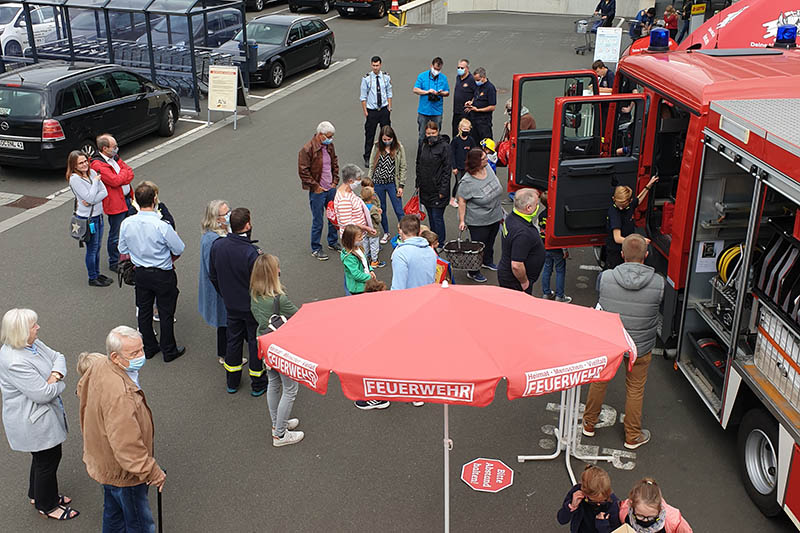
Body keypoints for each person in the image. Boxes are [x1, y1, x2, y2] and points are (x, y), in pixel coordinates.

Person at [77, 326, 166, 532]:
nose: (141, 356)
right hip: (125, 473)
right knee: (139, 522)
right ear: (115, 356)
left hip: (105, 461)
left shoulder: (101, 366)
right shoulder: (121, 396)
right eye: (134, 353)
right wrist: (152, 472)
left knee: (113, 513)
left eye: (142, 349)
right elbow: (127, 446)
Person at [583, 234, 665, 450]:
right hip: (640, 345)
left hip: (610, 342)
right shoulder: (658, 283)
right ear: (646, 256)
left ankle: (589, 423)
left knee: (599, 381)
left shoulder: (607, 277)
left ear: (622, 255)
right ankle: (632, 435)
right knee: (635, 389)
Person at [0, 308, 78, 521]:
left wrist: (54, 375)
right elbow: (42, 395)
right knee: (48, 460)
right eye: (33, 325)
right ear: (21, 331)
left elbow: (58, 356)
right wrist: (59, 381)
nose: (38, 328)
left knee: (42, 458)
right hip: (33, 421)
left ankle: (37, 494)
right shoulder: (15, 361)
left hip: (39, 416)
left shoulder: (31, 344)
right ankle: (47, 505)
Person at [119, 182, 186, 362]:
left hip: (140, 272)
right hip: (162, 273)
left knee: (144, 310)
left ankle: (149, 347)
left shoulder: (127, 223)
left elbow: (122, 248)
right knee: (165, 312)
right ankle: (168, 349)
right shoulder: (161, 225)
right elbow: (179, 248)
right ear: (154, 199)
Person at [209, 207, 267, 396]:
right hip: (251, 306)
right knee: (254, 341)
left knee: (233, 341)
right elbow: (262, 283)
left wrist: (225, 294)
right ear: (247, 224)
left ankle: (232, 382)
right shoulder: (251, 252)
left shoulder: (217, 246)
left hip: (231, 304)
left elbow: (213, 275)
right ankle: (257, 383)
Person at [250, 254, 304, 447]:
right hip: (281, 346)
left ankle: (277, 424)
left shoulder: (254, 294)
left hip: (264, 343)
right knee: (290, 389)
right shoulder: (278, 299)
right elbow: (299, 316)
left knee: (273, 383)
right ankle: (280, 434)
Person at [199, 200, 237, 366]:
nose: (229, 215)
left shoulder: (221, 232)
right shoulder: (212, 240)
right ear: (216, 218)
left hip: (225, 286)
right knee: (225, 323)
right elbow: (213, 270)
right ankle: (225, 355)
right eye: (225, 213)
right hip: (221, 289)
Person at [458, 148, 504, 283]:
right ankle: (473, 271)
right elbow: (462, 200)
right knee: (477, 246)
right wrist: (462, 220)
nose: (487, 159)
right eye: (484, 158)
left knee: (490, 241)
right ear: (476, 162)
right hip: (478, 220)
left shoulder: (488, 168)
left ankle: (487, 261)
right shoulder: (467, 182)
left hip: (495, 215)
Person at [67, 150, 111, 287]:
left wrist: (91, 199)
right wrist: (96, 184)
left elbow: (104, 192)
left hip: (98, 216)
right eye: (80, 163)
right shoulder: (75, 179)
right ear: (74, 166)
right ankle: (92, 277)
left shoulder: (91, 173)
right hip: (88, 219)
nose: (85, 164)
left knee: (97, 247)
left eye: (85, 161)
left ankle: (97, 273)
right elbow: (91, 197)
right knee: (92, 249)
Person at [91, 133, 134, 273]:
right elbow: (114, 181)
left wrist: (121, 175)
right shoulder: (97, 164)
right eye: (114, 147)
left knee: (129, 231)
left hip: (128, 199)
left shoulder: (114, 157)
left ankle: (128, 257)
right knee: (116, 234)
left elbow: (130, 172)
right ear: (104, 148)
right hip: (115, 204)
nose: (117, 149)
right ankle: (114, 261)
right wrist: (123, 174)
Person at [299, 121, 340, 261]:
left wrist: (335, 182)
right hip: (318, 191)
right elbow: (303, 171)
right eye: (328, 136)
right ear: (320, 135)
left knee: (333, 217)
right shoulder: (307, 149)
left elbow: (334, 162)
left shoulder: (329, 146)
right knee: (318, 220)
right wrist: (315, 186)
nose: (330, 139)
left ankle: (332, 242)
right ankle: (316, 248)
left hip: (330, 188)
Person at [498, 188, 545, 293]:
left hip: (507, 274)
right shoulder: (523, 233)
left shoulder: (512, 217)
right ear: (528, 208)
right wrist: (524, 282)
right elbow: (516, 265)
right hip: (515, 282)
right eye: (536, 204)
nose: (538, 206)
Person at [604, 179, 657, 270]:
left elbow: (638, 200)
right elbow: (617, 238)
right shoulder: (614, 213)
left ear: (629, 201)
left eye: (624, 205)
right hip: (616, 250)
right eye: (619, 204)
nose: (621, 208)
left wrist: (649, 185)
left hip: (626, 248)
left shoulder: (629, 204)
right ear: (614, 199)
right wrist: (640, 241)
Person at [367, 125, 407, 244]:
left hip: (392, 184)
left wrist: (401, 186)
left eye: (389, 139)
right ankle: (386, 233)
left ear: (393, 138)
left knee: (399, 210)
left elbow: (403, 167)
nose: (387, 142)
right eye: (384, 140)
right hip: (378, 183)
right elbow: (371, 165)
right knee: (381, 209)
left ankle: (405, 233)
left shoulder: (399, 148)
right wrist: (369, 184)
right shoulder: (377, 147)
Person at [557, 464, 621, 533]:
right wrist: (572, 506)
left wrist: (603, 525)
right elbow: (562, 519)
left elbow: (616, 531)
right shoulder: (576, 493)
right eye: (594, 502)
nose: (599, 504)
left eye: (603, 501)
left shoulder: (613, 505)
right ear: (584, 493)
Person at [416, 121, 451, 243]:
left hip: (438, 190)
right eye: (428, 133)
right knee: (431, 217)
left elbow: (447, 170)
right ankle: (433, 240)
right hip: (425, 188)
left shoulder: (445, 147)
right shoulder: (423, 145)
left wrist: (443, 190)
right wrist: (418, 183)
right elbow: (418, 164)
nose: (430, 135)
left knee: (437, 218)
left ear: (438, 131)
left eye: (433, 132)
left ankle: (440, 242)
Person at [618, 478, 693, 533]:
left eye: (651, 517)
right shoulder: (624, 511)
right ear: (631, 505)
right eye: (640, 516)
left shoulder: (674, 522)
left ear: (660, 509)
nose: (645, 521)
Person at [538, 191, 572, 303]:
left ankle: (546, 293)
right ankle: (559, 296)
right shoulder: (557, 216)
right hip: (557, 248)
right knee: (560, 271)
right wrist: (565, 250)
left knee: (547, 269)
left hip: (545, 246)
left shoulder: (541, 215)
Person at [360, 56, 392, 167]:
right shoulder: (366, 79)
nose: (375, 68)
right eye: (373, 65)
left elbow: (389, 92)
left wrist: (389, 106)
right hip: (372, 110)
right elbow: (363, 97)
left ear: (380, 65)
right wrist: (365, 111)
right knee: (370, 134)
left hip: (383, 109)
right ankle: (368, 157)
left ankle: (387, 154)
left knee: (386, 133)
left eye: (377, 65)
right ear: (371, 65)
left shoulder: (386, 77)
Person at [391, 215, 437, 290]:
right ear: (419, 231)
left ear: (400, 231)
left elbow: (398, 286)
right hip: (428, 296)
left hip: (410, 299)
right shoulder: (430, 251)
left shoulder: (400, 254)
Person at [413, 57, 450, 144]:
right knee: (422, 135)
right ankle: (420, 155)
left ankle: (436, 155)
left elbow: (447, 93)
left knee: (436, 135)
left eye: (439, 69)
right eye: (435, 68)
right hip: (424, 111)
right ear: (431, 66)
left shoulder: (443, 78)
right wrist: (427, 92)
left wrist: (441, 93)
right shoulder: (422, 76)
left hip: (437, 111)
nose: (436, 71)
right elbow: (415, 89)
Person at [334, 164, 375, 240]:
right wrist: (365, 227)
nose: (359, 181)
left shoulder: (348, 191)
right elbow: (346, 223)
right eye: (358, 179)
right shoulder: (344, 199)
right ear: (350, 181)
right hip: (352, 238)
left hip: (357, 235)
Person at [464, 67, 497, 143]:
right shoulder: (478, 86)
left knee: (485, 142)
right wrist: (471, 102)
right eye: (475, 80)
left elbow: (492, 107)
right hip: (474, 120)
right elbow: (476, 97)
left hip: (484, 122)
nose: (476, 82)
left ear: (483, 77)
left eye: (478, 80)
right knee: (474, 141)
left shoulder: (490, 88)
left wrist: (478, 110)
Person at [341, 224, 375, 296]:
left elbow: (365, 261)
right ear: (351, 239)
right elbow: (356, 274)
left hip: (364, 283)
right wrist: (369, 277)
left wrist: (370, 270)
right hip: (358, 288)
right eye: (359, 237)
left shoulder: (359, 248)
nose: (362, 238)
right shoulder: (349, 257)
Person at [450, 118, 474, 208]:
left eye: (467, 129)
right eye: (464, 129)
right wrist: (454, 167)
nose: (466, 131)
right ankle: (453, 199)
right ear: (459, 129)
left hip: (467, 166)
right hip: (458, 166)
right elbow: (452, 154)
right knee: (459, 182)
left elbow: (473, 152)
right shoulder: (455, 141)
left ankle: (464, 198)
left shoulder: (470, 140)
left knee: (467, 182)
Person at [451, 58, 476, 139]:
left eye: (462, 68)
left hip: (465, 112)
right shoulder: (458, 77)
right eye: (458, 67)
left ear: (467, 68)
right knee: (455, 132)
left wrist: (472, 102)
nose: (459, 69)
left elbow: (477, 94)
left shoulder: (472, 79)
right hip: (456, 111)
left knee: (465, 134)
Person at [361, 186, 385, 268]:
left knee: (365, 245)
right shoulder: (373, 208)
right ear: (372, 197)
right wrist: (379, 213)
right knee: (374, 246)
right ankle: (374, 261)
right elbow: (378, 220)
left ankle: (365, 259)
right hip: (373, 230)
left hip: (364, 229)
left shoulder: (361, 206)